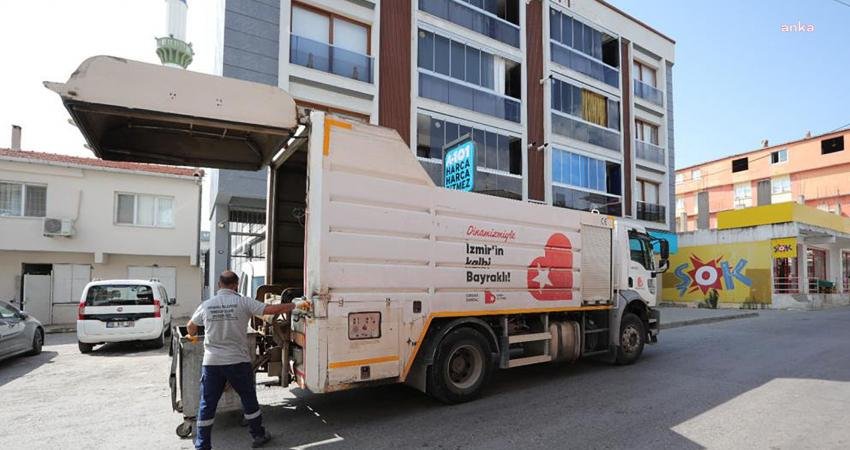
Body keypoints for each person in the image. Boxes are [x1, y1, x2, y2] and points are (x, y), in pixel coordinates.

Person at [187, 270, 295, 450]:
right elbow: (270, 310)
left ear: (218, 285)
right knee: (248, 398)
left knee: (207, 403)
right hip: (237, 361)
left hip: (212, 363)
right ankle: (258, 435)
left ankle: (202, 445)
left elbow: (191, 327)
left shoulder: (207, 305)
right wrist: (293, 305)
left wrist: (193, 336)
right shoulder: (243, 302)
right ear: (236, 285)